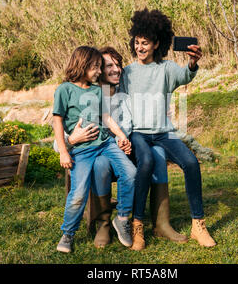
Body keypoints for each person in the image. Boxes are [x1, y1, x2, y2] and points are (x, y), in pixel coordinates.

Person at [57, 46, 188, 249]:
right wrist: (72, 140)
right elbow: (59, 140)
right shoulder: (76, 93)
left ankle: (159, 223)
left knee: (158, 154)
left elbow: (132, 125)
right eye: (108, 65)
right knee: (101, 164)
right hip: (88, 151)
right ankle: (103, 224)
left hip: (117, 149)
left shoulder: (124, 98)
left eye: (118, 65)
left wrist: (154, 118)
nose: (116, 69)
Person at [120, 8, 217, 250]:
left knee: (192, 163)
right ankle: (138, 226)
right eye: (137, 42)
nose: (140, 47)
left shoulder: (167, 68)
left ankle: (198, 225)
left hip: (164, 132)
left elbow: (186, 75)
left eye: (145, 43)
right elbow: (120, 101)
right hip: (139, 133)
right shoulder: (128, 72)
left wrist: (193, 61)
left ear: (156, 44)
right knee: (146, 164)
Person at [53, 46, 136, 253]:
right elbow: (57, 122)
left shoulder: (97, 90)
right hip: (81, 151)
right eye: (96, 67)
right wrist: (64, 151)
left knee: (130, 172)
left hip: (105, 144)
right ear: (82, 64)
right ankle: (68, 234)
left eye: (100, 67)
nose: (99, 72)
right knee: (78, 192)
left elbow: (106, 118)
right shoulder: (64, 90)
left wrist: (121, 135)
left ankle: (123, 218)